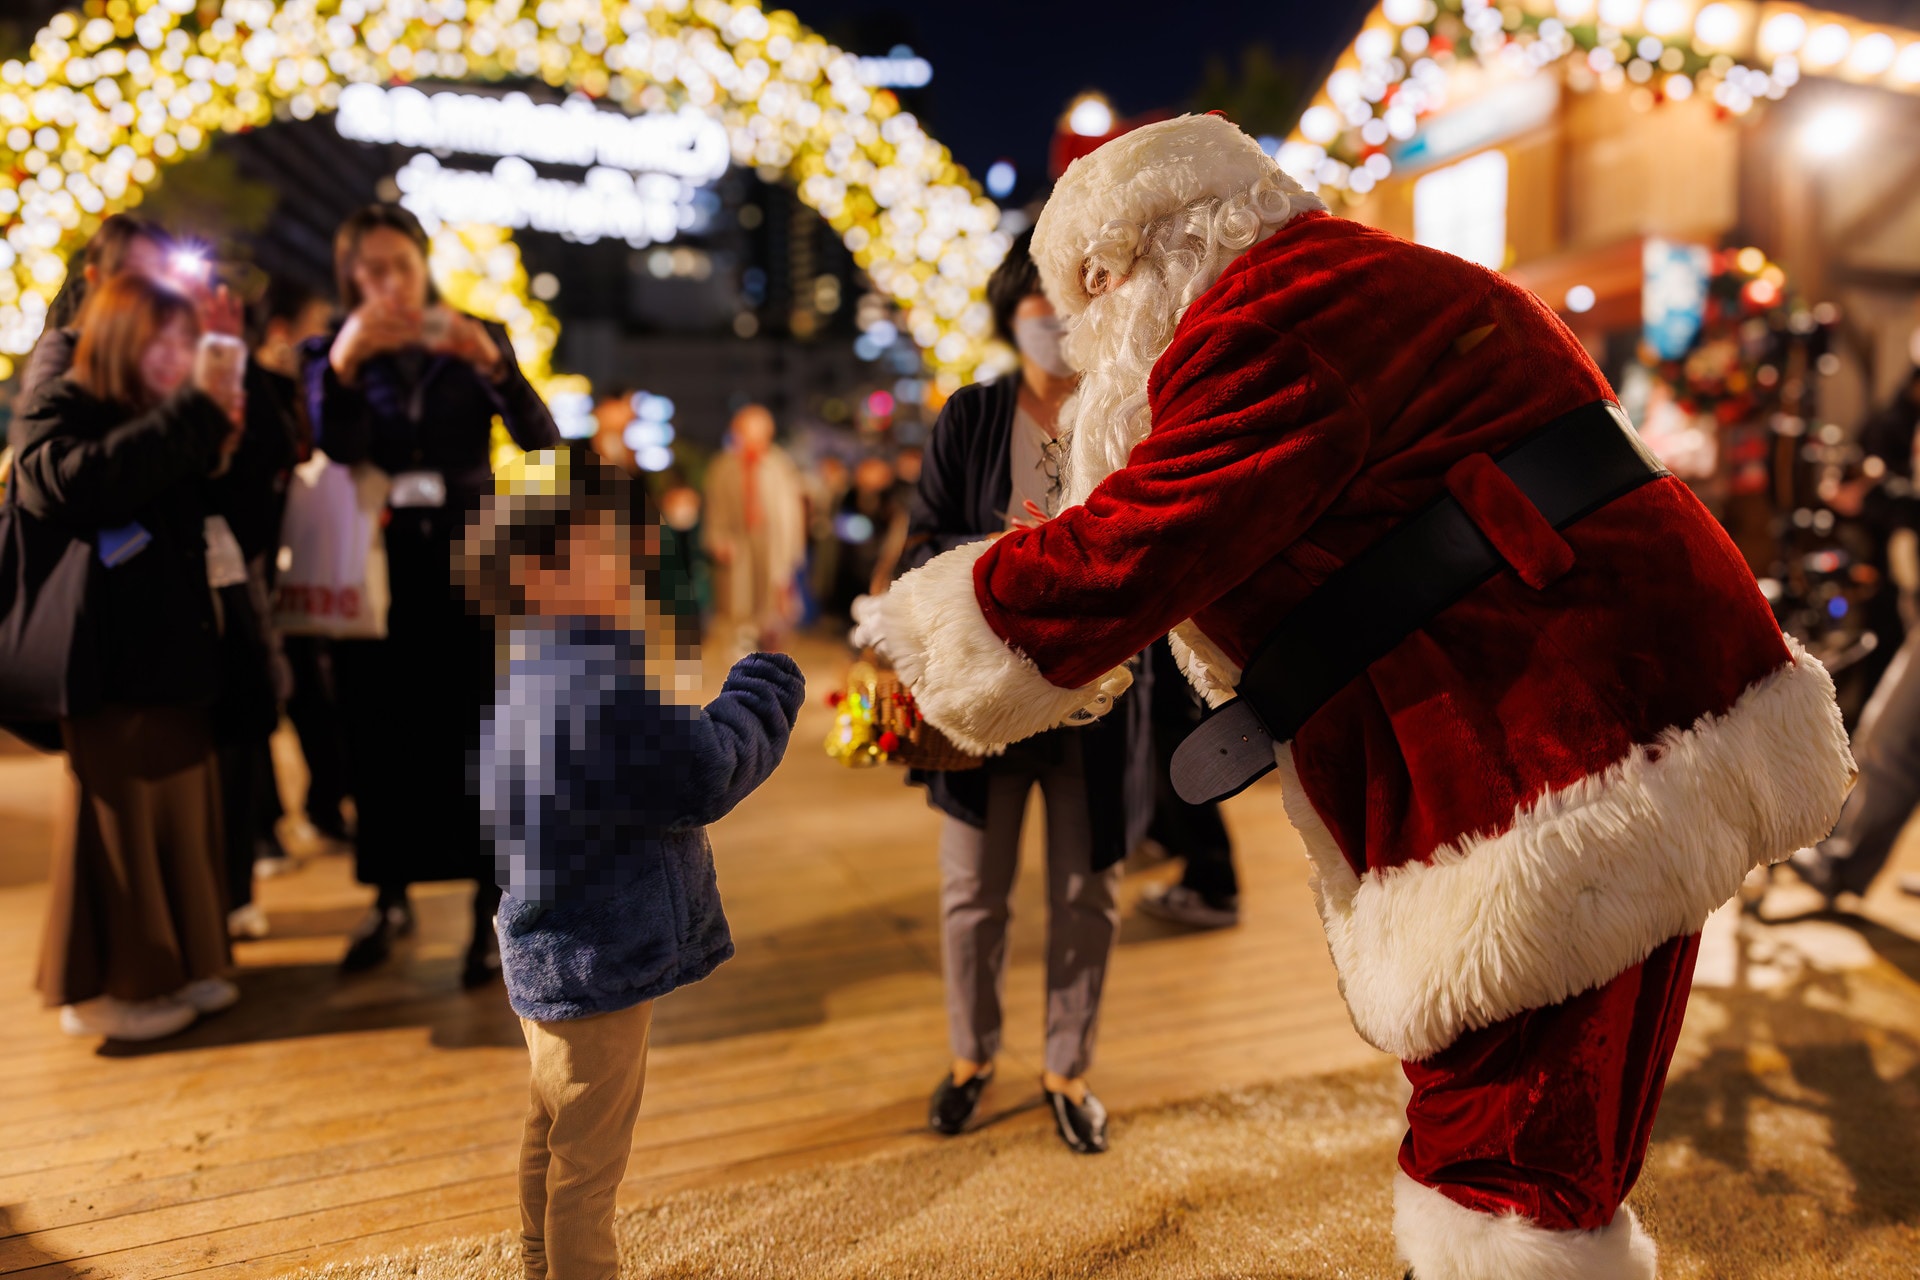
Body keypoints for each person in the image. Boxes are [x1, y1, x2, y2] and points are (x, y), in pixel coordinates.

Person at [859, 115, 1854, 1276]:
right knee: (1562, 1095)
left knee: (1509, 1120)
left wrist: (936, 637)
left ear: (1155, 246)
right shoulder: (1351, 281)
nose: (1082, 338)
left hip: (1564, 744)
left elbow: (1152, 531)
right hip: (1636, 707)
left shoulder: (1274, 317)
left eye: (1090, 291)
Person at [460, 448, 804, 1280]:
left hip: (542, 951)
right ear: (538, 575)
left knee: (551, 1128)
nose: (626, 562)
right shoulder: (597, 682)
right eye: (601, 549)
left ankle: (539, 1264)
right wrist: (764, 684)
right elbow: (704, 770)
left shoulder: (527, 668)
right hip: (601, 961)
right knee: (590, 1165)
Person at [895, 228, 1153, 1155]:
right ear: (1012, 314)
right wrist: (999, 568)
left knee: (1089, 892)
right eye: (1033, 297)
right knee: (973, 891)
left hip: (1099, 695)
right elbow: (921, 538)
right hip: (987, 699)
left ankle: (1066, 1066)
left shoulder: (1133, 416)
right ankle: (972, 1059)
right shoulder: (971, 415)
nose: (1052, 316)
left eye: (1070, 295)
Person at [301, 203, 559, 988]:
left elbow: (542, 440)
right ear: (351, 277)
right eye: (369, 271)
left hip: (464, 561)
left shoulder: (471, 335)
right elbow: (332, 446)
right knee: (373, 728)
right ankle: (388, 895)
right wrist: (343, 366)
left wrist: (494, 367)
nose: (387, 284)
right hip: (373, 567)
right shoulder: (334, 350)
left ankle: (490, 906)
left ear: (424, 266)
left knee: (475, 733)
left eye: (399, 267)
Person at [11, 273, 249, 1041]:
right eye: (163, 337)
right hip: (103, 648)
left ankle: (186, 963)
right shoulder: (66, 392)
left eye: (184, 338)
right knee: (117, 816)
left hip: (173, 639)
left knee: (179, 804)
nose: (176, 352)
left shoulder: (170, 402)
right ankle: (110, 984)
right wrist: (188, 412)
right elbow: (67, 485)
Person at [254, 279, 354, 847]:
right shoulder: (256, 392)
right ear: (280, 332)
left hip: (312, 562)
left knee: (317, 691)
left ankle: (325, 804)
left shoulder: (312, 394)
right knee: (275, 691)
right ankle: (270, 824)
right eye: (315, 324)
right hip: (264, 565)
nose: (323, 338)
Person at [1135, 636, 1240, 929]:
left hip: (1168, 632)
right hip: (1162, 633)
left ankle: (1214, 889)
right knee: (1168, 735)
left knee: (1178, 743)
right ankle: (1167, 838)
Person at [20, 214, 171, 400]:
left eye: (157, 272)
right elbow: (41, 418)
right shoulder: (61, 350)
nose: (144, 286)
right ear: (95, 277)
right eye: (133, 272)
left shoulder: (173, 358)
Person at [702, 403, 806, 657]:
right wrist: (717, 539)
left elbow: (792, 514)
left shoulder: (779, 465)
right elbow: (714, 509)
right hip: (739, 542)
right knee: (738, 598)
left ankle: (770, 649)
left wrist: (792, 551)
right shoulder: (723, 467)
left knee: (773, 600)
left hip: (772, 545)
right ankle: (742, 648)